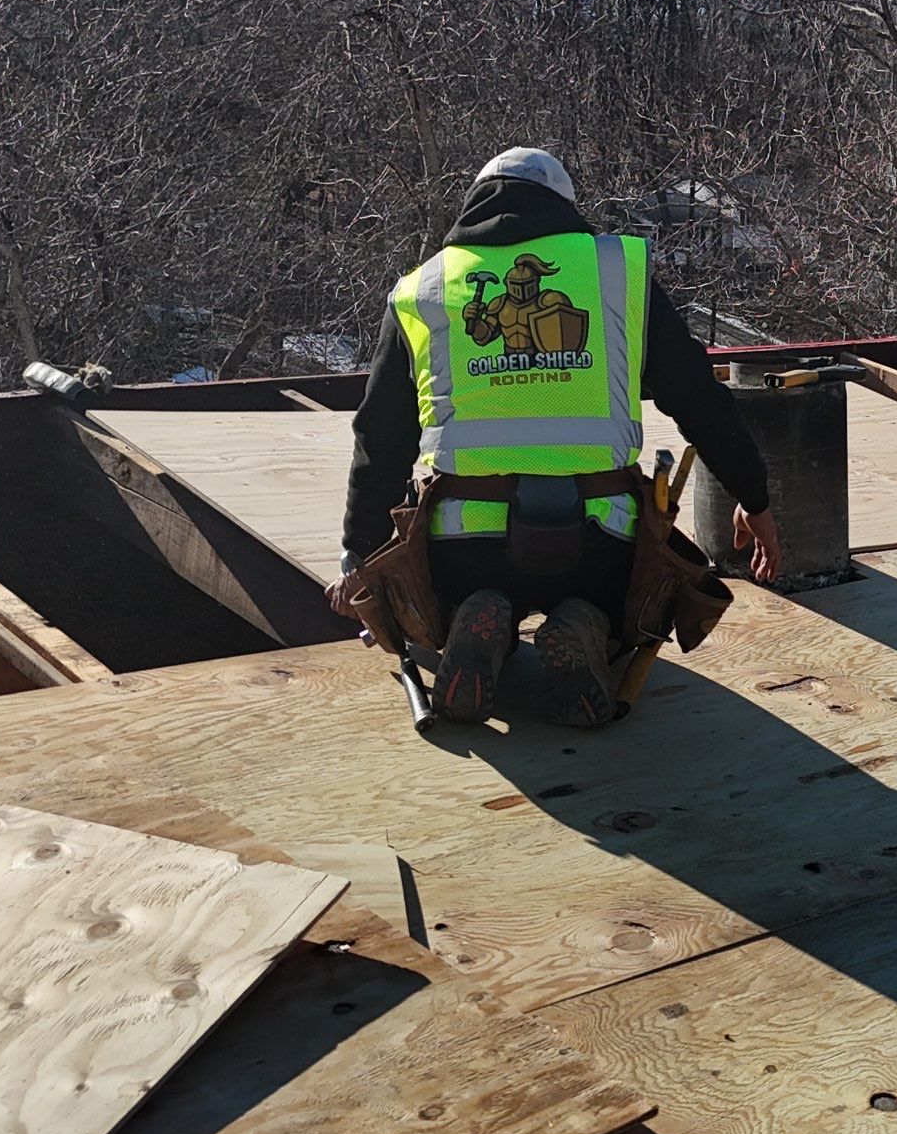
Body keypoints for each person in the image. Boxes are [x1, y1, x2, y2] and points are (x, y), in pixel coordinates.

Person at [332, 147, 780, 725]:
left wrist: (358, 553)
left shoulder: (426, 288)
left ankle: (478, 617)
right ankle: (588, 622)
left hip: (465, 544)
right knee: (624, 601)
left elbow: (380, 436)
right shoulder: (617, 271)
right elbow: (699, 398)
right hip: (600, 541)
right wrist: (755, 498)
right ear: (564, 206)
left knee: (446, 591)